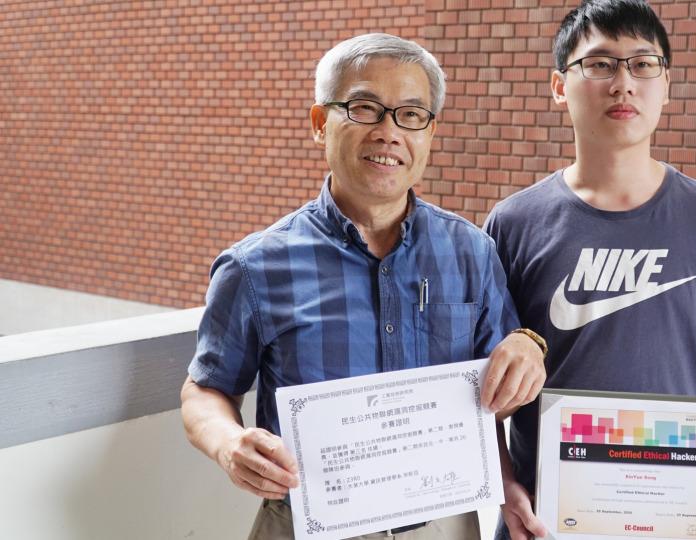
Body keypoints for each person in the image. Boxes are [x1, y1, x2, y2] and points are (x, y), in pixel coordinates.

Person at [180, 33, 547, 540]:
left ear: (430, 132)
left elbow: (494, 398)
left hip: (443, 523)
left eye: (411, 115)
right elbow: (205, 389)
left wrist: (527, 352)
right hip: (306, 525)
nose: (388, 132)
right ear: (320, 123)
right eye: (365, 108)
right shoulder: (255, 266)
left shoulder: (472, 252)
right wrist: (227, 443)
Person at [482, 2, 696, 540]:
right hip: (546, 519)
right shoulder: (513, 223)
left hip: (680, 516)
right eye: (600, 64)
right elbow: (481, 388)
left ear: (666, 85)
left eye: (643, 64)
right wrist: (502, 484)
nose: (623, 83)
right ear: (559, 86)